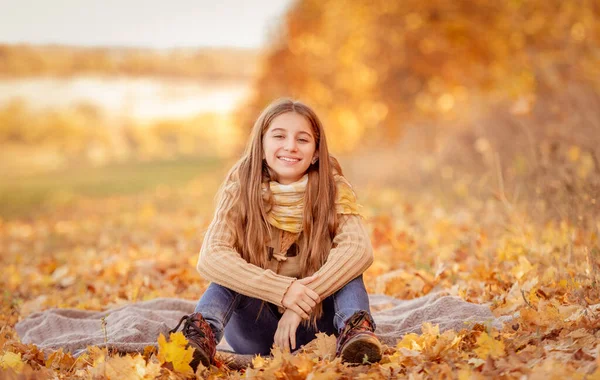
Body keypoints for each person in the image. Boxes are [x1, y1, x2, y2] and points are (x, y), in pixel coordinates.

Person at [170, 98, 382, 369]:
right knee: (228, 273)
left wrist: (298, 302)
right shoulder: (240, 189)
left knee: (348, 268)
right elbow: (211, 256)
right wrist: (283, 291)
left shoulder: (333, 189)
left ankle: (357, 333)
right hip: (254, 330)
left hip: (322, 329)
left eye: (303, 139)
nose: (290, 146)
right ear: (262, 146)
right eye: (279, 136)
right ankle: (201, 337)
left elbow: (358, 249)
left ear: (316, 152)